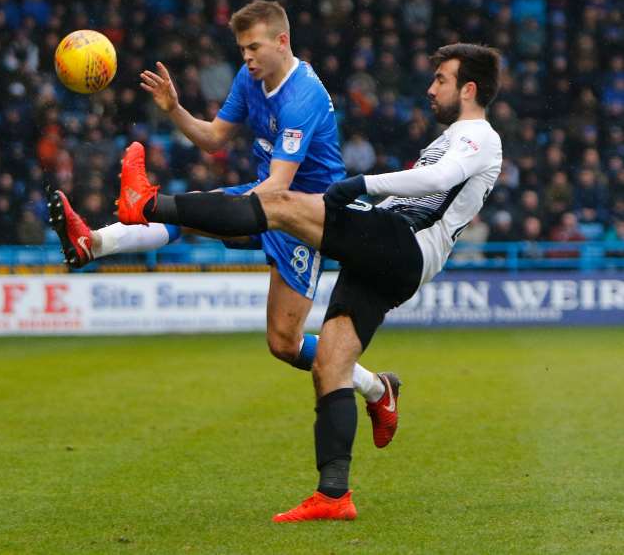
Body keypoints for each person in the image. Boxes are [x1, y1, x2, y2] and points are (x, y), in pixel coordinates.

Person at [114, 43, 503, 522]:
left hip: (399, 244)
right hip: (393, 256)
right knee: (332, 365)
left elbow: (437, 180)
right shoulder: (462, 135)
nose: (431, 88)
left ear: (468, 89)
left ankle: (148, 205)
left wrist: (363, 185)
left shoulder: (479, 136)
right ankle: (334, 495)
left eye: (441, 79)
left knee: (277, 202)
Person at [49, 0, 400, 447]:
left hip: (307, 216)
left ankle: (377, 389)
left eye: (253, 48)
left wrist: (219, 208)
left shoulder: (303, 96)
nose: (247, 57)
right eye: (241, 49)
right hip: (270, 197)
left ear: (282, 41)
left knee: (284, 342)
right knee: (193, 215)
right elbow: (215, 138)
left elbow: (278, 187)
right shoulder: (250, 77)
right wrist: (175, 108)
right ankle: (92, 243)